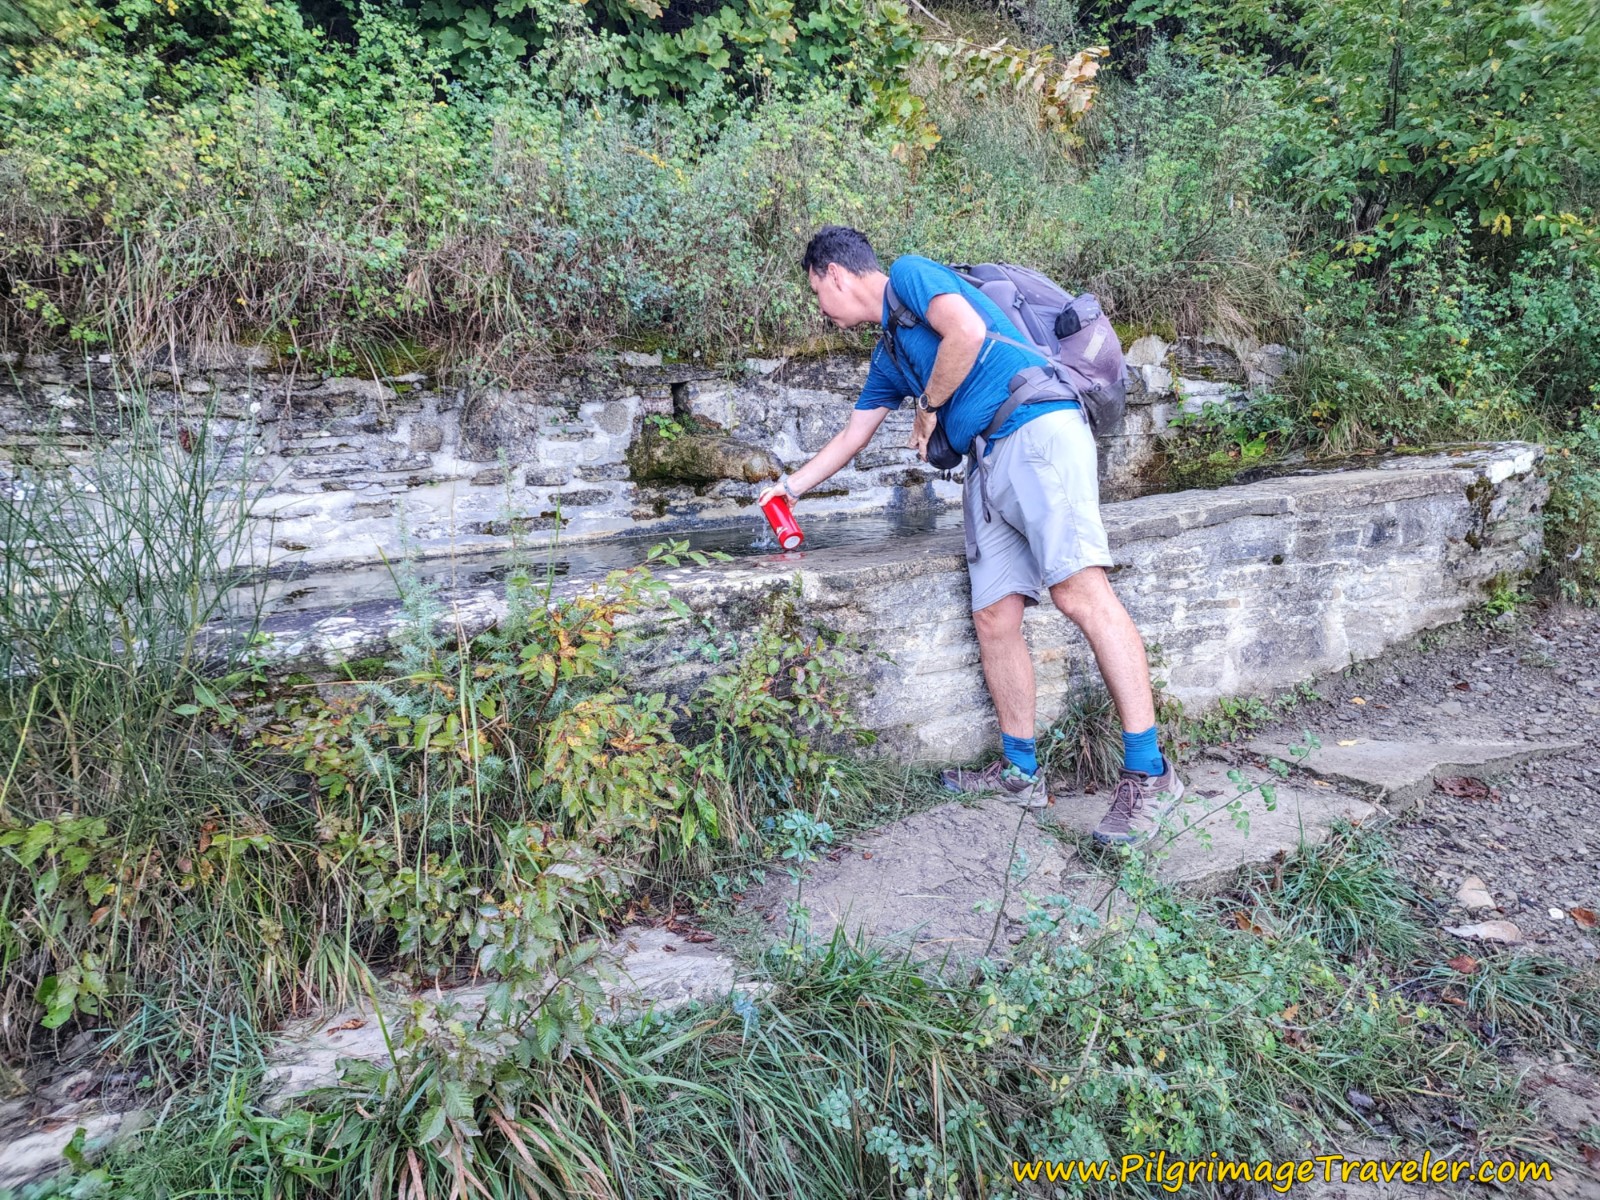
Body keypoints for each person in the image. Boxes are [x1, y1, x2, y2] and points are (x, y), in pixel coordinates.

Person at [756, 225, 1183, 845]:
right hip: (987, 461)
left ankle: (1149, 773)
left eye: (816, 293)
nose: (820, 310)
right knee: (994, 617)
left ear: (835, 275)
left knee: (1080, 594)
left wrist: (928, 406)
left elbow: (968, 331)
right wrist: (788, 489)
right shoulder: (889, 354)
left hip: (1035, 427)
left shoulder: (909, 274)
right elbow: (853, 435)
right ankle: (1019, 772)